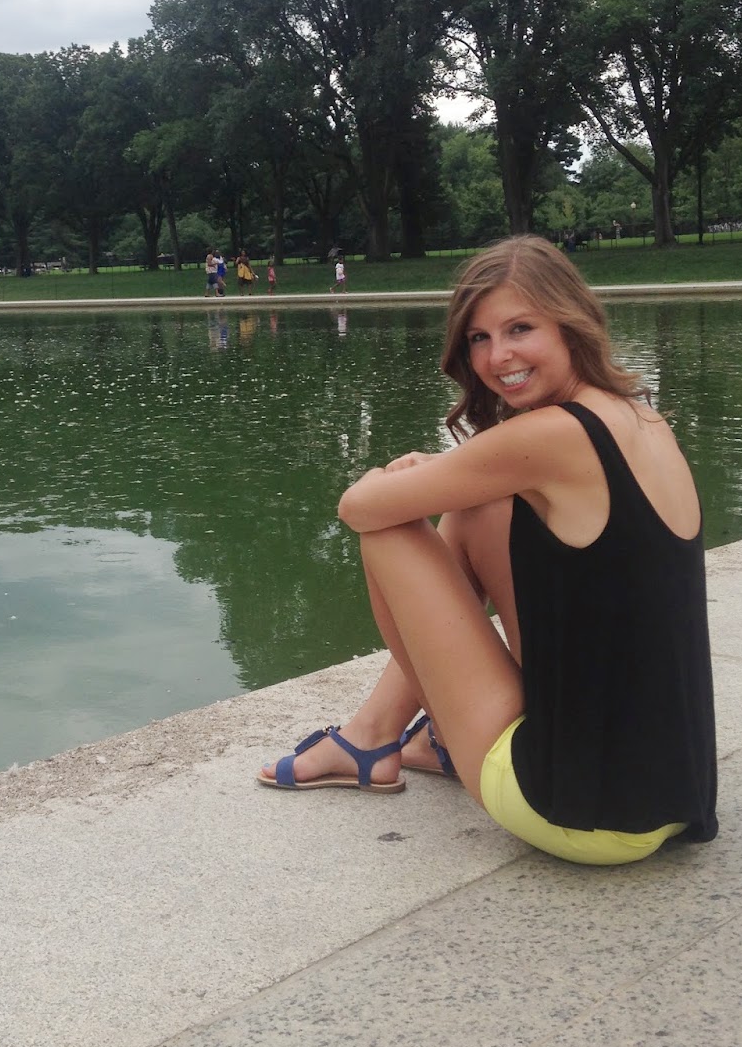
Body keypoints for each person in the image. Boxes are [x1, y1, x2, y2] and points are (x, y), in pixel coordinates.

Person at [259, 235, 718, 867]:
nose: (498, 357)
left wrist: (389, 479)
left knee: (388, 529)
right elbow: (501, 481)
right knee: (480, 505)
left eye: (520, 328)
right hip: (669, 794)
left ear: (570, 322)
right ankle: (380, 735)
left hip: (579, 812)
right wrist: (446, 472)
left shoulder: (549, 435)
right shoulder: (639, 417)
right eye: (479, 337)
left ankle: (390, 738)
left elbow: (358, 508)